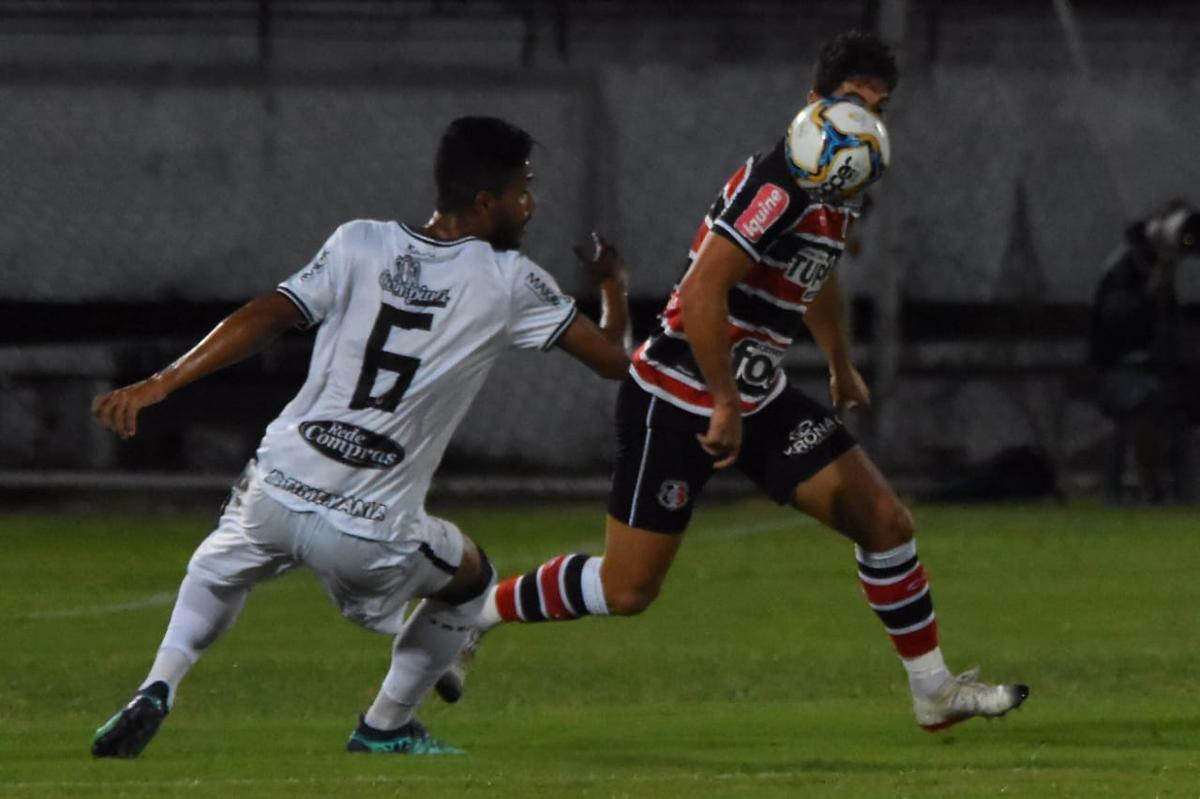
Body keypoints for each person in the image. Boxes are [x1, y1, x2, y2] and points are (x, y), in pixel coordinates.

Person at [436, 31, 1029, 732]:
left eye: (880, 106)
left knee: (886, 521)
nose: (866, 120)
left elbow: (817, 274)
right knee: (627, 588)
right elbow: (704, 291)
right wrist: (722, 401)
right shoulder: (776, 184)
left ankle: (932, 690)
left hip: (753, 394)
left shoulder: (835, 181)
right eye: (852, 102)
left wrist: (838, 362)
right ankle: (482, 609)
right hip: (678, 393)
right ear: (814, 103)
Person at [88, 116, 631, 757]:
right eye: (523, 190)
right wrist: (613, 287)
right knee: (474, 580)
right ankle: (386, 725)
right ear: (487, 204)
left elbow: (268, 313)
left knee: (218, 569)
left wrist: (163, 381)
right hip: (367, 529)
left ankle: (159, 685)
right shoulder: (511, 281)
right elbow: (615, 363)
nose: (529, 204)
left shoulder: (358, 243)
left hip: (279, 485)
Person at [1090, 199, 1200, 503]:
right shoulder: (1123, 267)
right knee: (1146, 399)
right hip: (1118, 373)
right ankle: (1153, 493)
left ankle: (1189, 494)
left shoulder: (1180, 269)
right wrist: (1154, 289)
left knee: (1177, 396)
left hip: (1168, 370)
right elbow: (1118, 324)